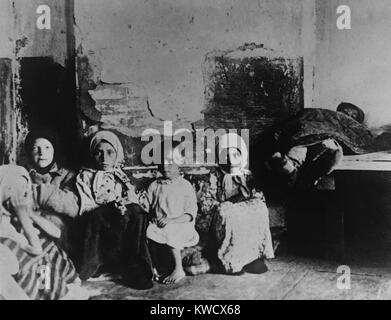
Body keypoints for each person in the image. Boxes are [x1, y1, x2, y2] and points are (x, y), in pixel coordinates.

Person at [74, 130, 153, 289]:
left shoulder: (121, 176)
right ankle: (95, 264)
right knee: (101, 213)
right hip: (100, 222)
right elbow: (86, 207)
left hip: (121, 222)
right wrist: (110, 208)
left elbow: (132, 199)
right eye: (99, 153)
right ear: (92, 154)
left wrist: (124, 205)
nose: (104, 158)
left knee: (137, 212)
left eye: (110, 153)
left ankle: (136, 268)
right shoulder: (85, 177)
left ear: (117, 154)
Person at [0, 165, 80, 300]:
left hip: (37, 259)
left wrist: (29, 214)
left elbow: (56, 233)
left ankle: (59, 284)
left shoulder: (19, 212)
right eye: (12, 189)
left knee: (46, 241)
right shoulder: (5, 224)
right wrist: (23, 217)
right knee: (38, 255)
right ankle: (49, 292)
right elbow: (35, 249)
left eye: (24, 188)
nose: (20, 194)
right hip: (24, 265)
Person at [209, 133, 274, 275]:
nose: (231, 160)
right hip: (227, 212)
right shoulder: (215, 176)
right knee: (232, 214)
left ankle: (253, 258)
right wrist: (227, 205)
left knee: (259, 208)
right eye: (226, 155)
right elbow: (208, 202)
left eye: (236, 155)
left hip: (245, 212)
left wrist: (244, 187)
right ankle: (233, 261)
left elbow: (258, 197)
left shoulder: (247, 175)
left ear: (242, 156)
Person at [143, 142, 199, 284]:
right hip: (160, 225)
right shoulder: (154, 185)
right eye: (162, 162)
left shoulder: (185, 185)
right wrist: (152, 218)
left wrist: (172, 220)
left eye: (170, 162)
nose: (165, 165)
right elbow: (147, 206)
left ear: (179, 163)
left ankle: (178, 269)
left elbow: (190, 213)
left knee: (171, 230)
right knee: (146, 230)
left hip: (181, 225)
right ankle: (153, 268)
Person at [24, 128, 80, 252]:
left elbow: (72, 206)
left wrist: (40, 194)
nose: (42, 153)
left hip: (59, 233)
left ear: (54, 150)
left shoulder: (66, 175)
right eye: (35, 148)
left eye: (47, 148)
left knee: (53, 221)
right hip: (28, 224)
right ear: (29, 151)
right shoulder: (23, 174)